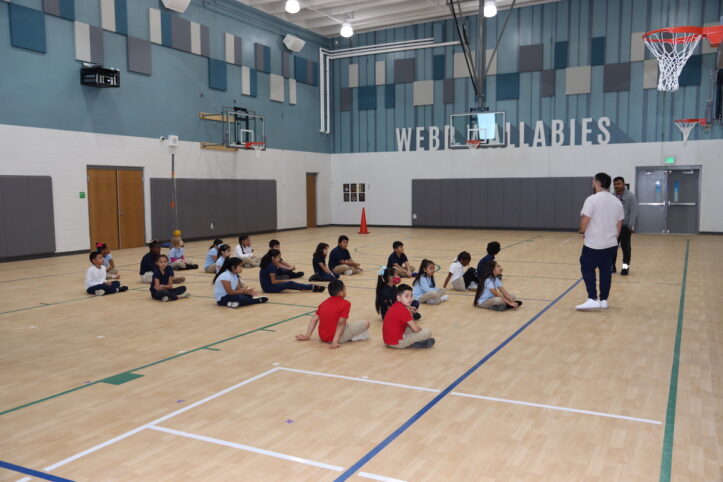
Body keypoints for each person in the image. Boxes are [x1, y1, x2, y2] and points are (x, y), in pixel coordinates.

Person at [577, 172, 624, 310]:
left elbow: (585, 220)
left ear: (598, 184)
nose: (592, 185)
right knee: (605, 271)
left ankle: (592, 298)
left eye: (593, 182)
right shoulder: (616, 201)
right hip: (611, 244)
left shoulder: (592, 199)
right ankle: (604, 300)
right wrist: (614, 238)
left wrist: (581, 231)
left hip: (593, 244)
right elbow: (619, 223)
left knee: (587, 267)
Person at [295, 280, 370, 349]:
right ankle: (353, 337)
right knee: (366, 323)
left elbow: (314, 319)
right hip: (336, 338)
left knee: (347, 325)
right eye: (344, 288)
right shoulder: (346, 303)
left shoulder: (324, 303)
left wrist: (307, 336)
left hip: (322, 337)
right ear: (341, 293)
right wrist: (335, 341)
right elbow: (341, 323)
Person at [382, 284, 435, 349]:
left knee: (409, 329)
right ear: (399, 298)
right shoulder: (403, 310)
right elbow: (415, 329)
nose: (410, 299)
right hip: (396, 343)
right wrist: (420, 330)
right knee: (428, 332)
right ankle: (413, 343)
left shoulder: (396, 305)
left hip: (388, 341)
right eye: (406, 296)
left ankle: (415, 342)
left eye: (411, 296)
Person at [259, 249, 325, 293]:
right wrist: (284, 281)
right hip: (269, 288)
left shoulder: (269, 263)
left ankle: (302, 287)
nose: (279, 259)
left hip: (267, 286)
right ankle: (312, 287)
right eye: (278, 257)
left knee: (289, 280)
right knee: (290, 283)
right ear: (273, 258)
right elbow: (273, 282)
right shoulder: (270, 266)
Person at [611, 176, 638, 276]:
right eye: (615, 184)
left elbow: (634, 211)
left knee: (626, 249)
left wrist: (631, 224)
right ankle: (612, 266)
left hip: (625, 227)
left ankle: (625, 268)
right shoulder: (612, 196)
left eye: (618, 184)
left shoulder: (630, 196)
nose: (616, 186)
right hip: (614, 228)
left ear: (623, 184)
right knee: (612, 248)